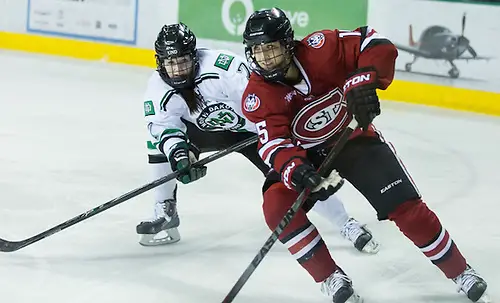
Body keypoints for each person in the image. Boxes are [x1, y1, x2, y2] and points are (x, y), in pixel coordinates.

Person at [241, 7, 489, 303]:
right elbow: (274, 144)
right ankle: (331, 277)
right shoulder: (258, 94)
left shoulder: (322, 48)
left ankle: (461, 272)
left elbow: (374, 42)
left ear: (288, 43)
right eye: (258, 50)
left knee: (406, 208)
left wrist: (364, 82)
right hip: (307, 154)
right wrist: (298, 170)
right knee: (276, 205)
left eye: (271, 48)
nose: (265, 57)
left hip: (354, 140)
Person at [137, 22, 380, 255]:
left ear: (194, 55)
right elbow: (163, 126)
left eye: (183, 60)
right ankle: (165, 208)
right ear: (160, 63)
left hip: (252, 129)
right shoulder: (158, 89)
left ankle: (346, 223)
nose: (178, 69)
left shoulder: (223, 69)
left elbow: (265, 97)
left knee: (295, 175)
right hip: (208, 132)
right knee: (158, 141)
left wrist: (280, 135)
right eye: (171, 63)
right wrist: (181, 155)